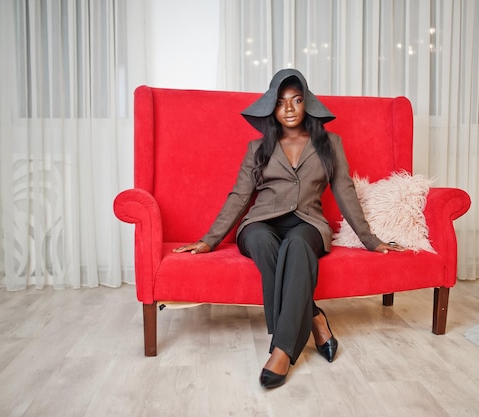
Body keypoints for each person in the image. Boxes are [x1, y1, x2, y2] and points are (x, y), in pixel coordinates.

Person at [173, 68, 403, 389]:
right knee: (265, 243)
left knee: (296, 247)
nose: (290, 109)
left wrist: (371, 240)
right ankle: (314, 319)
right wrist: (208, 241)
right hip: (261, 223)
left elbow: (345, 191)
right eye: (282, 103)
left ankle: (282, 349)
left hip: (307, 222)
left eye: (296, 100)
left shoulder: (329, 144)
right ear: (273, 109)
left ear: (307, 104)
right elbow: (239, 196)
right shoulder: (258, 148)